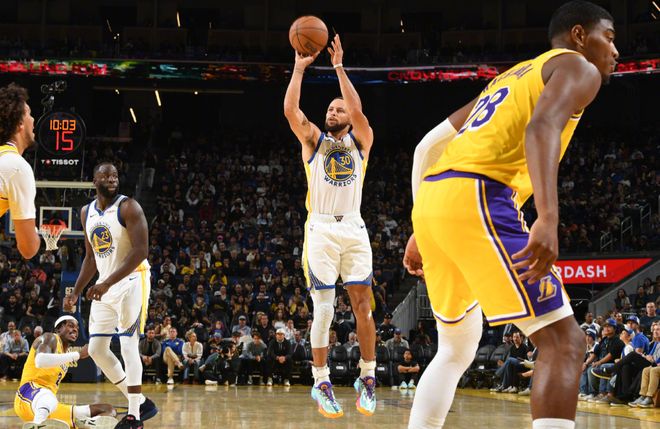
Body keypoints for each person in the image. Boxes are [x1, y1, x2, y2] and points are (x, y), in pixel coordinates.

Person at [403, 2, 619, 428]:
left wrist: (418, 226)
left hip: (434, 201)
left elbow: (426, 146)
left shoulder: (510, 77)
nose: (615, 51)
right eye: (609, 38)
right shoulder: (578, 67)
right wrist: (548, 217)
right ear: (579, 36)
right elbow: (542, 128)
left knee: (456, 348)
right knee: (564, 341)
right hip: (478, 193)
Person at [284, 33, 376, 418]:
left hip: (353, 227)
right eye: (331, 108)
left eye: (339, 109)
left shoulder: (362, 140)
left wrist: (338, 67)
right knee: (324, 309)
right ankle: (321, 381)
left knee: (363, 306)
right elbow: (291, 110)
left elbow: (358, 111)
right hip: (321, 228)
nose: (334, 112)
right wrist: (299, 69)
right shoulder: (314, 141)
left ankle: (367, 377)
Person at [64, 162, 157, 428]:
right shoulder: (86, 212)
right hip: (105, 285)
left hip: (132, 280)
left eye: (115, 175)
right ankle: (141, 401)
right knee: (96, 349)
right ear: (95, 181)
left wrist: (106, 284)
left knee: (128, 344)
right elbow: (90, 257)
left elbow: (141, 251)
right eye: (106, 176)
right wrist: (76, 292)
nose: (112, 179)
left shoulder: (129, 207)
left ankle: (134, 416)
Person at [14, 315, 117, 429]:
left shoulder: (65, 354)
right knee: (48, 397)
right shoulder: (50, 338)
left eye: (77, 328)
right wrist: (78, 355)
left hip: (48, 406)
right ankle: (38, 424)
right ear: (59, 329)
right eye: (71, 326)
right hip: (27, 395)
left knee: (108, 410)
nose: (75, 330)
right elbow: (40, 360)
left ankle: (89, 423)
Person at [0, 83, 40, 259]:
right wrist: (34, 231)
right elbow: (28, 249)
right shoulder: (16, 167)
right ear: (20, 124)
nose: (33, 119)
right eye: (29, 113)